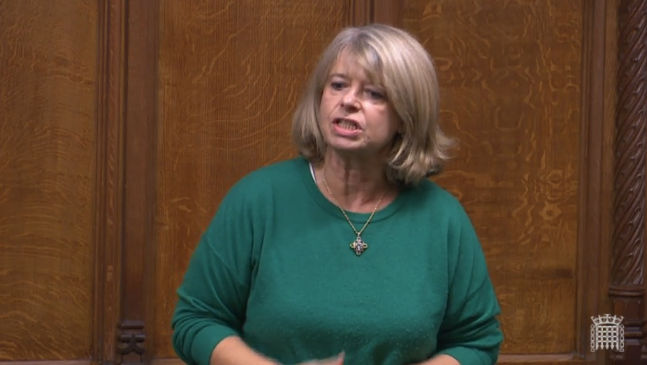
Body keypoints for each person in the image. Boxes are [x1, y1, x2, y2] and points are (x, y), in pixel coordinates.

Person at [171, 24, 503, 365]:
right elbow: (195, 322)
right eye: (338, 85)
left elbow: (476, 342)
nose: (348, 101)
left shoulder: (442, 218)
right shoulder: (257, 200)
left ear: (406, 117)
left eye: (374, 93)